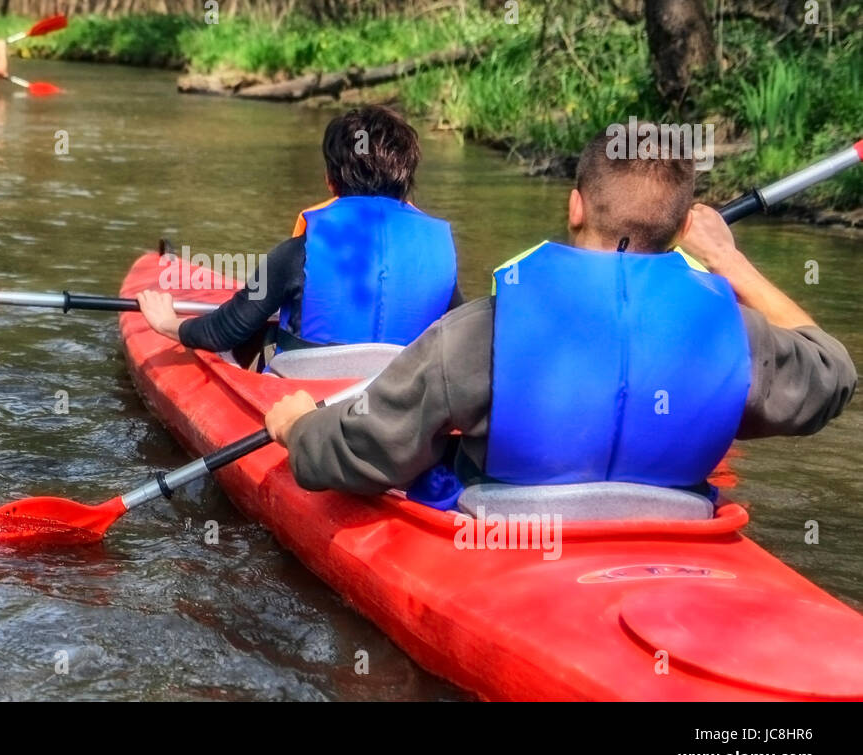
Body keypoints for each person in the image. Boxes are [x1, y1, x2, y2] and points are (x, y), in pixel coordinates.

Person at [264, 123, 856, 507]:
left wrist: (299, 430)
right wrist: (731, 261)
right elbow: (833, 371)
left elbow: (368, 450)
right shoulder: (736, 332)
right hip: (675, 528)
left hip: (508, 535)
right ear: (683, 231)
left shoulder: (483, 331)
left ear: (574, 206)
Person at [136, 106, 462, 367]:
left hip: (308, 396)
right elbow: (464, 335)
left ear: (330, 181)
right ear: (407, 180)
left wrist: (168, 324)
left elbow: (225, 330)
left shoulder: (298, 254)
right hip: (402, 399)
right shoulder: (440, 255)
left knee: (254, 341)